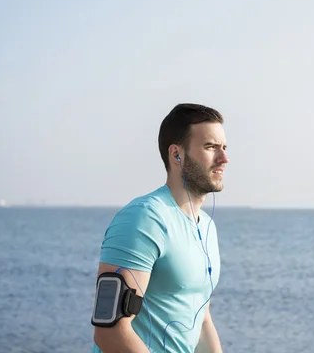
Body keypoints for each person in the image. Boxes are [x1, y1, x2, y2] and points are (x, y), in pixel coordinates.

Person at [91, 103, 229, 353]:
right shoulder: (144, 219)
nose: (224, 158)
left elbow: (201, 317)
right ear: (177, 154)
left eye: (224, 147)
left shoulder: (208, 227)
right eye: (210, 147)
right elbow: (109, 331)